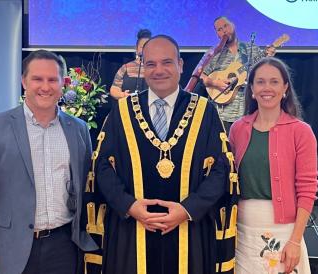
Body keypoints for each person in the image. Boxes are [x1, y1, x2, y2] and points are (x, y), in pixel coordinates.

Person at [93, 35, 233, 274]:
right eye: (151, 64)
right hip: (132, 233)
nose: (158, 70)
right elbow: (102, 166)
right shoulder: (122, 112)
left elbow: (222, 170)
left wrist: (188, 209)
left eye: (166, 62)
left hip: (189, 231)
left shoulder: (205, 111)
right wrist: (129, 206)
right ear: (142, 67)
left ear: (180, 65)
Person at [0, 50, 96, 274]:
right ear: (23, 81)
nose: (45, 87)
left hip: (64, 247)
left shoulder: (79, 129)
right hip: (8, 250)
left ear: (63, 83)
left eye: (52, 79)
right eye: (37, 79)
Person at [229, 57, 318, 274]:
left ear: (285, 88)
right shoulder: (237, 129)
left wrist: (295, 240)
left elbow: (307, 189)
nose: (266, 88)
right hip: (242, 232)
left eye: (274, 81)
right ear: (251, 88)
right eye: (260, 82)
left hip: (285, 232)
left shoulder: (301, 131)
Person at [199, 16, 275, 133]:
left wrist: (268, 58)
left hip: (249, 111)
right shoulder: (213, 53)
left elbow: (264, 75)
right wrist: (214, 82)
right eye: (219, 29)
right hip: (221, 115)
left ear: (233, 26)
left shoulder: (251, 49)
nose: (224, 30)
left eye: (226, 26)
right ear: (217, 34)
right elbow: (200, 75)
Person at [110, 29, 152, 99]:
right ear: (136, 48)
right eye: (142, 47)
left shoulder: (157, 69)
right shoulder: (126, 67)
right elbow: (114, 89)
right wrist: (122, 95)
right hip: (128, 107)